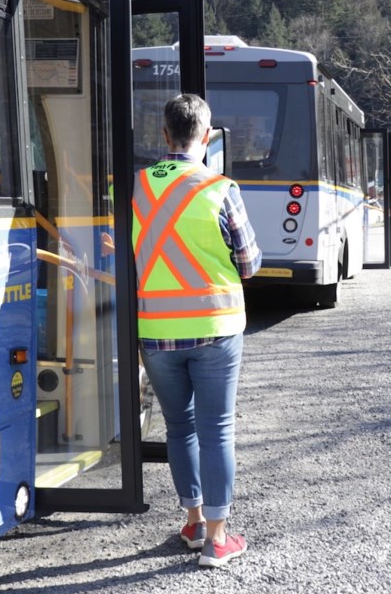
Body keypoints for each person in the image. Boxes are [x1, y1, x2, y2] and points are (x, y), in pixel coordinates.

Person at [130, 94, 261, 568]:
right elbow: (248, 264)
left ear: (164, 136)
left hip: (155, 331)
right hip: (214, 327)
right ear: (206, 138)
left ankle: (192, 523)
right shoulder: (221, 188)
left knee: (179, 428)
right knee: (216, 429)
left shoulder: (135, 187)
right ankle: (217, 540)